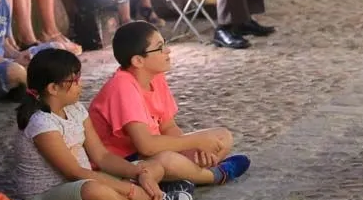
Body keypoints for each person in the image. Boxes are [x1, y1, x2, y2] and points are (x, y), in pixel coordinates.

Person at [13, 48, 193, 200]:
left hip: (83, 181)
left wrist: (138, 173)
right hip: (48, 197)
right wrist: (130, 190)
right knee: (93, 192)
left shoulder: (76, 109)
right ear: (53, 88)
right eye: (74, 81)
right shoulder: (41, 124)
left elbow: (102, 156)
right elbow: (74, 173)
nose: (80, 85)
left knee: (151, 167)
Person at [89, 21, 251, 187]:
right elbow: (146, 146)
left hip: (152, 151)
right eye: (160, 47)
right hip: (123, 162)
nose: (168, 50)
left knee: (223, 136)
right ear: (138, 60)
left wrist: (198, 148)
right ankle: (214, 175)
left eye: (165, 44)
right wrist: (195, 141)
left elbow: (168, 127)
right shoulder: (122, 86)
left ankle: (186, 174)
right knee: (167, 161)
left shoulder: (155, 76)